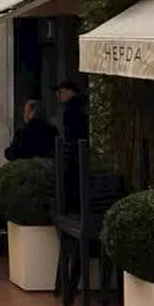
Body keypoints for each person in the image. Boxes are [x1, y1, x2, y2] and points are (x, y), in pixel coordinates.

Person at [54, 79, 88, 214]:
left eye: (61, 92)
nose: (59, 96)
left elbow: (72, 133)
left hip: (75, 152)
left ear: (70, 92)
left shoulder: (72, 110)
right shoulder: (80, 106)